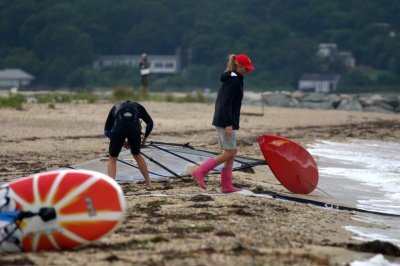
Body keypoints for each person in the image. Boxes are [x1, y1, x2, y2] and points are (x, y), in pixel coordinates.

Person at [192, 54, 255, 193]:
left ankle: (226, 185)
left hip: (227, 119)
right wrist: (228, 123)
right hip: (225, 120)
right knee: (229, 152)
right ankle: (200, 172)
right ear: (239, 66)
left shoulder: (235, 78)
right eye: (246, 68)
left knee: (231, 152)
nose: (248, 71)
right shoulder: (233, 80)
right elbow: (225, 103)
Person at [104, 100, 154, 189]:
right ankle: (148, 183)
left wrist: (121, 141)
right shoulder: (138, 106)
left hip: (118, 130)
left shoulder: (115, 107)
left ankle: (110, 186)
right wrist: (144, 138)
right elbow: (150, 123)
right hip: (134, 129)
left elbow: (106, 131)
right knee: (137, 155)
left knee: (112, 158)